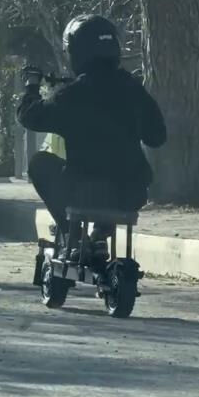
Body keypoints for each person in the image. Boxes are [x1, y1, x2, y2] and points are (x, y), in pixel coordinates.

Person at [17, 15, 166, 262]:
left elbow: (30, 117)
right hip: (130, 194)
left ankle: (74, 235)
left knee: (39, 163)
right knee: (113, 177)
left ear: (75, 51)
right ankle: (99, 236)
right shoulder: (133, 89)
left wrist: (32, 87)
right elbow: (157, 137)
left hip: (82, 191)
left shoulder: (72, 94)